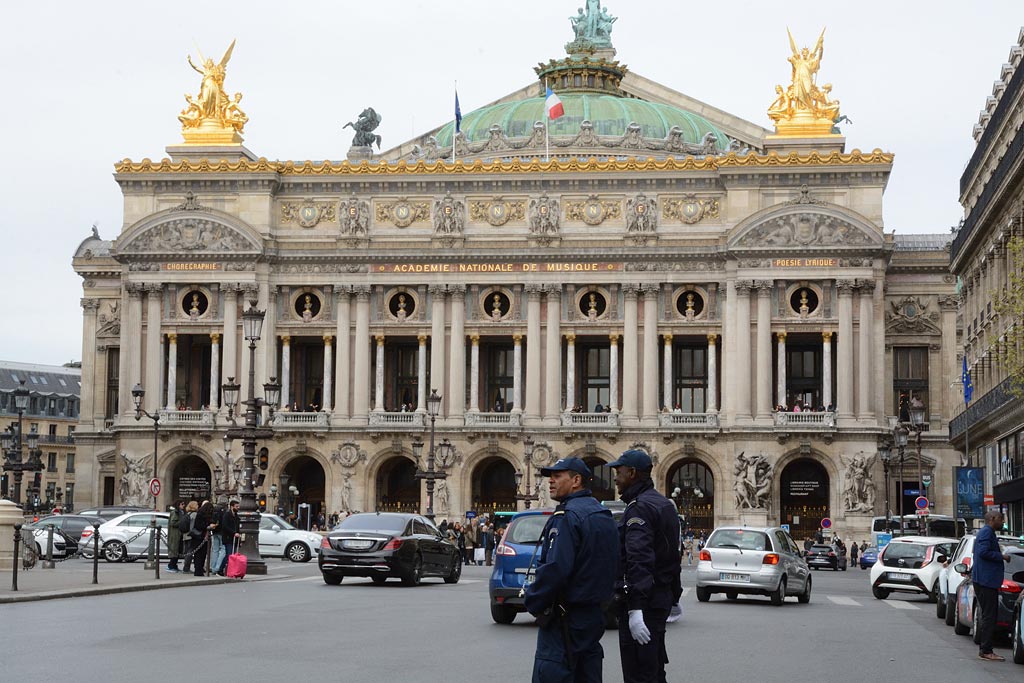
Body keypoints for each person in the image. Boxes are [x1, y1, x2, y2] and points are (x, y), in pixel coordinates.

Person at [523, 457, 617, 683]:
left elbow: (556, 568)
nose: (550, 482)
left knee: (555, 671)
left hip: (564, 618)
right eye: (550, 477)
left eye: (557, 476)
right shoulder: (602, 515)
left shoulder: (567, 517)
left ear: (576, 480)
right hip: (593, 615)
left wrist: (533, 600)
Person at [608, 449, 682, 683]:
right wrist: (674, 596)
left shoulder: (639, 508)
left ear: (632, 473)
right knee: (654, 670)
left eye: (618, 472)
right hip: (659, 598)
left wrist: (635, 609)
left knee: (638, 674)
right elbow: (673, 555)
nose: (615, 479)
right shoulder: (664, 504)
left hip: (645, 603)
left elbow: (638, 559)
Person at [974, 509, 1012, 661]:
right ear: (993, 519)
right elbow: (983, 552)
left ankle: (985, 649)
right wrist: (1001, 556)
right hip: (986, 581)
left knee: (988, 615)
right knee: (989, 616)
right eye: (1001, 519)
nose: (1003, 522)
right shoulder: (986, 533)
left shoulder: (987, 532)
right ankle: (986, 650)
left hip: (985, 580)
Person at [216, 499, 240, 576]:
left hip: (234, 538)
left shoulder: (236, 516)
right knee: (229, 555)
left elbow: (237, 527)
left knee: (232, 556)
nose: (238, 508)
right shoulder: (227, 515)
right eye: (236, 506)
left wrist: (238, 534)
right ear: (231, 506)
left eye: (238, 506)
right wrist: (234, 533)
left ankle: (229, 571)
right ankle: (220, 569)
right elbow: (225, 526)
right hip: (228, 538)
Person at [192, 501, 215, 577]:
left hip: (202, 537)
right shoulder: (201, 515)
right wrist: (208, 525)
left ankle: (199, 569)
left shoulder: (202, 514)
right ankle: (198, 570)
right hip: (199, 537)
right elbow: (199, 526)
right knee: (199, 554)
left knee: (202, 554)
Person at [167, 500, 185, 573]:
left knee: (177, 550)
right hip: (175, 534)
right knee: (174, 550)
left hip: (179, 533)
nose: (183, 505)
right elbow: (173, 523)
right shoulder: (175, 512)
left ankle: (174, 565)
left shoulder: (181, 512)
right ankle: (171, 565)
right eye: (182, 504)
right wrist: (181, 522)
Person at [181, 501, 200, 574]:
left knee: (187, 551)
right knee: (190, 551)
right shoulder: (194, 515)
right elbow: (192, 527)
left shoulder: (187, 514)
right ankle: (186, 568)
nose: (198, 506)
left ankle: (186, 567)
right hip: (190, 535)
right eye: (197, 505)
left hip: (185, 535)